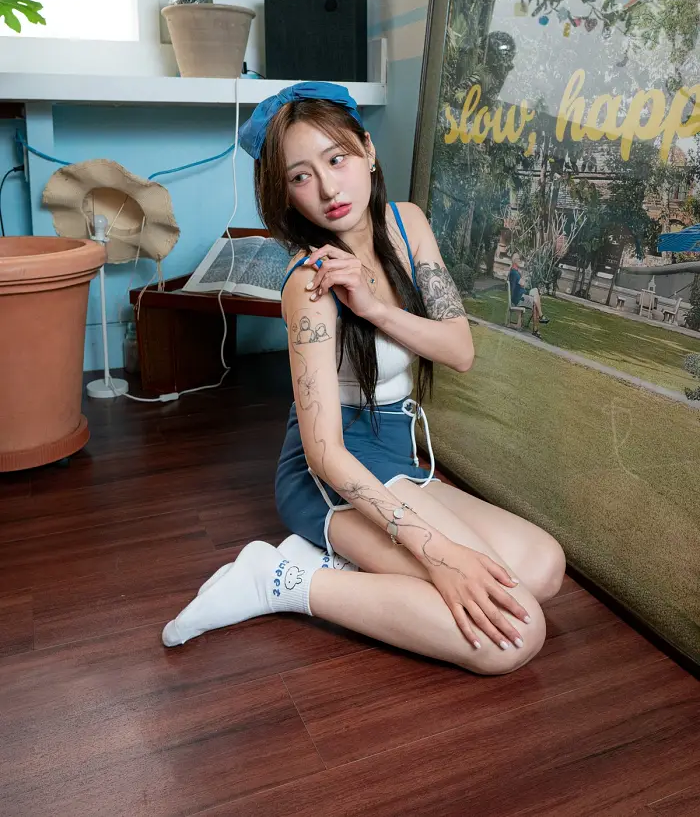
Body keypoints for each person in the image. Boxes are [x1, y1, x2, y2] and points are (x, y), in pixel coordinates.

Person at [162, 83, 566, 675]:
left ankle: (346, 557)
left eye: (337, 159)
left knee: (544, 567)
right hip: (332, 472)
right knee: (518, 631)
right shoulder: (309, 284)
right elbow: (324, 454)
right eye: (301, 176)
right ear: (285, 193)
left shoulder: (407, 224)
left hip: (396, 450)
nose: (328, 189)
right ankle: (281, 579)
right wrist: (440, 553)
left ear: (368, 151)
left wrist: (373, 307)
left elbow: (459, 350)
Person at [508, 252, 550, 338]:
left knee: (535, 298)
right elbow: (523, 284)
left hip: (521, 297)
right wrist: (523, 278)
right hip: (518, 299)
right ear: (514, 261)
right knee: (535, 296)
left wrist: (522, 278)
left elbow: (522, 285)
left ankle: (536, 328)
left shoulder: (515, 272)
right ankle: (540, 319)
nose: (519, 260)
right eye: (518, 259)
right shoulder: (514, 273)